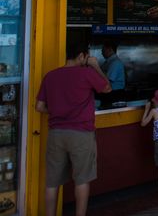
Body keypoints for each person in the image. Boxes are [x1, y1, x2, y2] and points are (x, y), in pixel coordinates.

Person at [35, 41, 112, 216]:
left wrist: (57, 112)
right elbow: (107, 87)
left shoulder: (50, 76)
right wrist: (96, 66)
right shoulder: (86, 73)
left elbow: (39, 106)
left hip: (55, 134)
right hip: (81, 135)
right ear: (81, 56)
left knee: (52, 182)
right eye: (86, 57)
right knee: (82, 180)